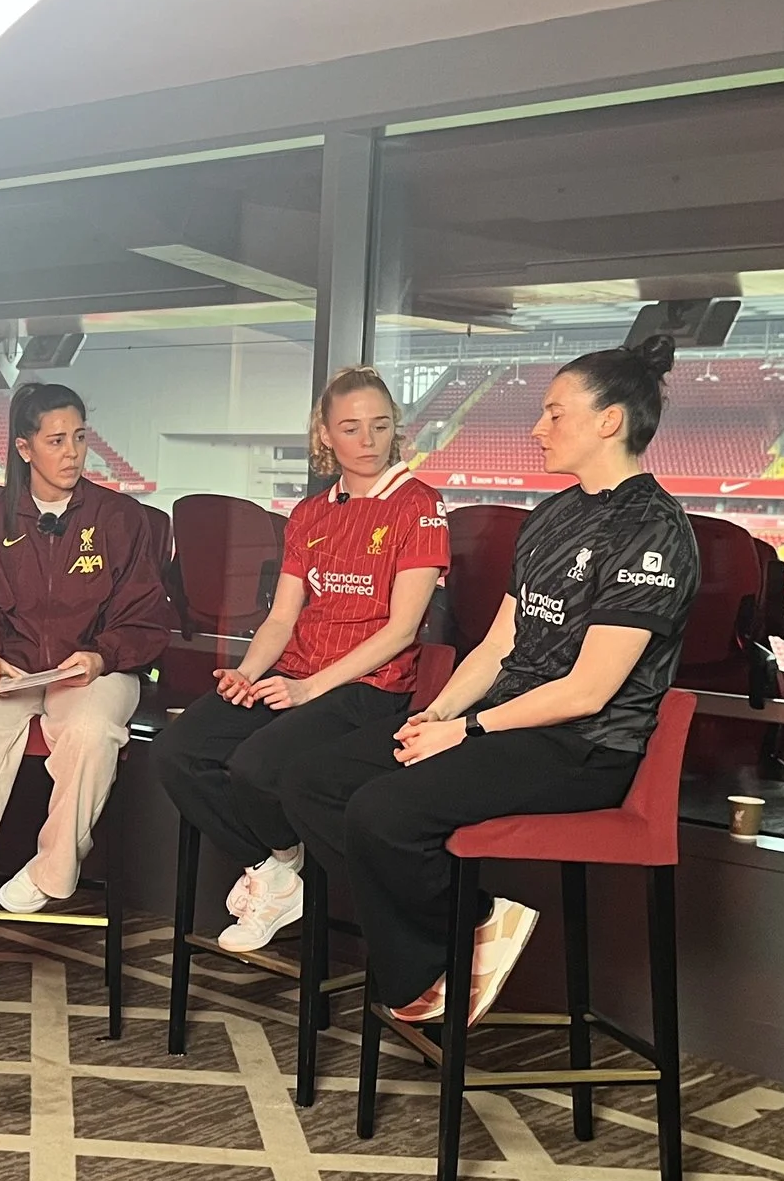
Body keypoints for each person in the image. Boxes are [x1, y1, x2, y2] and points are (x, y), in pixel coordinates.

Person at [280, 336, 701, 1024]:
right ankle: (464, 928)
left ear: (609, 421)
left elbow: (588, 691)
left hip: (582, 746)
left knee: (383, 811)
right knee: (308, 781)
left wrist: (465, 730)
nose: (537, 429)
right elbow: (499, 642)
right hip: (500, 725)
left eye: (554, 413)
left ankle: (433, 960)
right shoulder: (551, 516)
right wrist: (438, 714)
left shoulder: (653, 531)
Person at [155, 368, 447, 953]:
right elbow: (282, 618)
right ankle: (277, 867)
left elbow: (402, 630)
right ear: (325, 435)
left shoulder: (420, 506)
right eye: (350, 428)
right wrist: (248, 672)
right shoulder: (310, 513)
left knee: (255, 766)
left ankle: (285, 872)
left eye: (380, 426)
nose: (367, 440)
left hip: (366, 688)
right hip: (292, 678)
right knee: (179, 750)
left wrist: (310, 689)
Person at [0, 381, 171, 974]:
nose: (72, 452)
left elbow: (148, 617)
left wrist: (103, 655)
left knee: (90, 733)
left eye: (80, 437)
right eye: (56, 440)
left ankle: (53, 866)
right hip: (11, 667)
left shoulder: (121, 518)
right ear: (24, 448)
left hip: (93, 669)